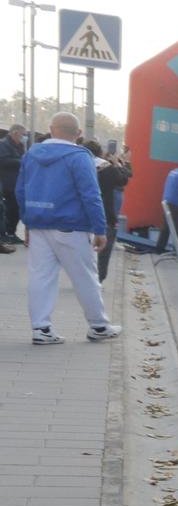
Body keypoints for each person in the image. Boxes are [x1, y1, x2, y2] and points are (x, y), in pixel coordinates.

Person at [15, 114, 120, 344]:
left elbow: (20, 190)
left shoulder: (31, 154)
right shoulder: (79, 156)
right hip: (70, 227)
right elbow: (91, 195)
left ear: (51, 129)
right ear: (79, 133)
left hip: (38, 225)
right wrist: (100, 229)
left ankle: (41, 329)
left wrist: (27, 223)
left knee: (40, 277)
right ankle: (99, 326)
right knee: (85, 277)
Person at [85, 141, 130, 281]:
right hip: (104, 211)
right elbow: (123, 180)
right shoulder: (106, 167)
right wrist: (120, 164)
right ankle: (99, 278)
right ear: (99, 152)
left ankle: (84, 276)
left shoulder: (77, 165)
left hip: (80, 214)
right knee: (103, 249)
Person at [0, 124, 26, 247]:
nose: (23, 138)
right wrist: (21, 161)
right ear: (15, 133)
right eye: (22, 135)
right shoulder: (3, 144)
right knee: (10, 209)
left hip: (16, 182)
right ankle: (7, 234)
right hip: (7, 183)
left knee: (15, 209)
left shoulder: (18, 145)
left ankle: (11, 233)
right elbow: (4, 160)